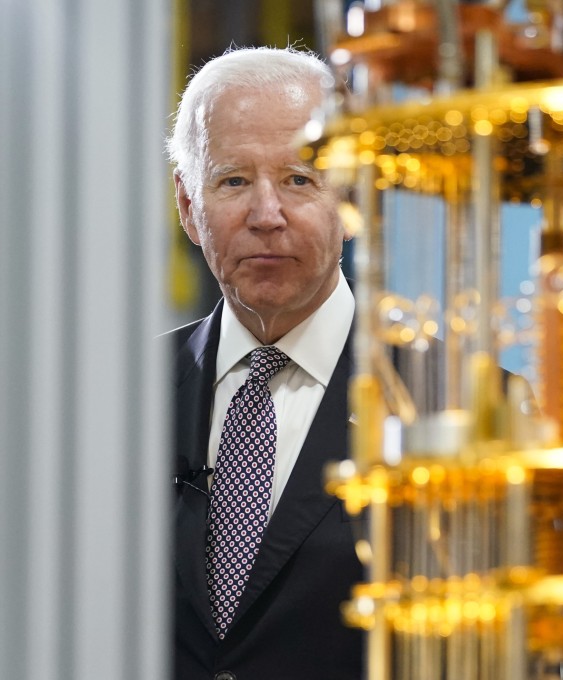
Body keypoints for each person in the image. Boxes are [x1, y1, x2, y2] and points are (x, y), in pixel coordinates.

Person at [165, 46, 363, 679]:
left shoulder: (449, 406)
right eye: (233, 181)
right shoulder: (114, 396)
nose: (266, 215)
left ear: (353, 197)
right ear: (189, 207)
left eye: (300, 179)